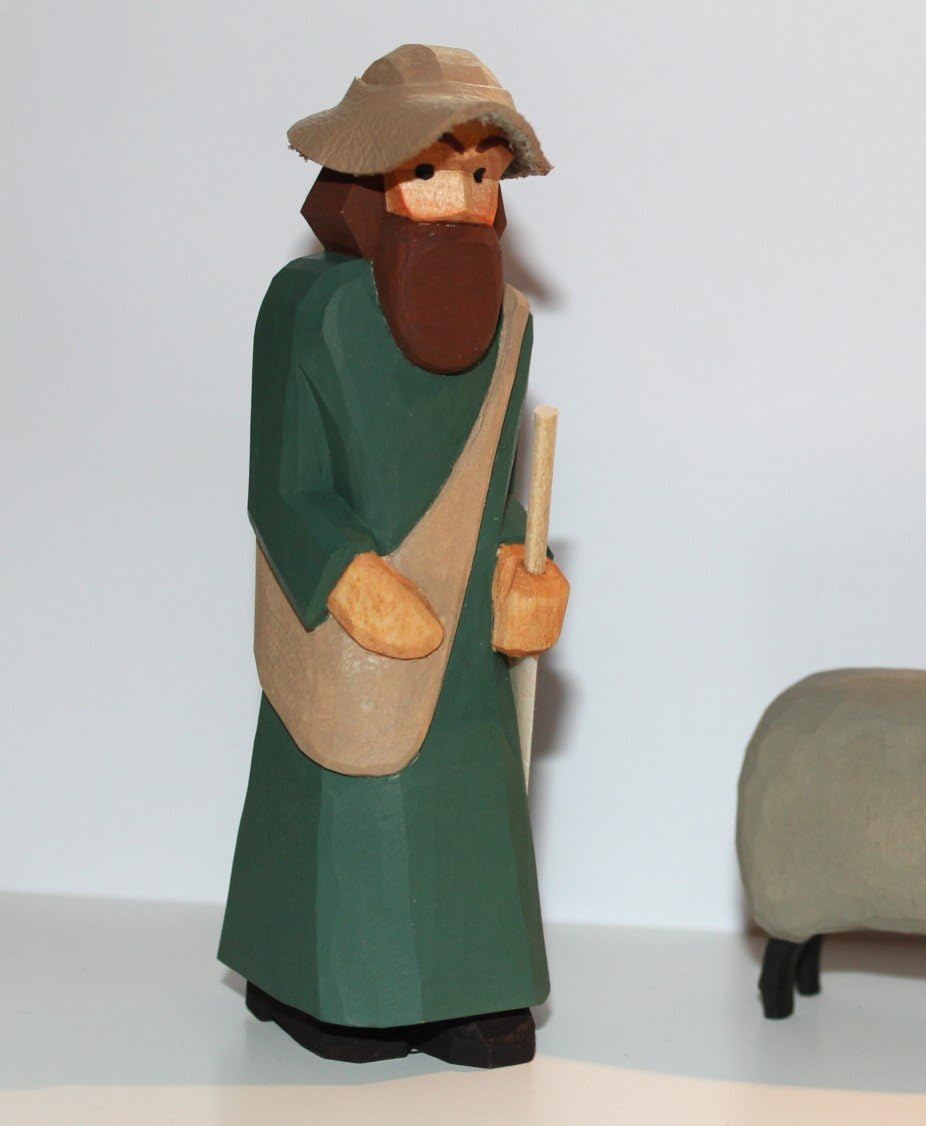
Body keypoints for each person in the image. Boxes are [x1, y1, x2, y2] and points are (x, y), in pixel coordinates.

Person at [218, 44, 569, 1068]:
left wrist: (525, 569)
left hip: (460, 637)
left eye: (481, 173)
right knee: (349, 788)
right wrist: (346, 574)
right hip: (348, 621)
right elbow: (282, 484)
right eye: (429, 170)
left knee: (466, 798)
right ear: (368, 183)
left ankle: (468, 982)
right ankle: (315, 974)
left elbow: (496, 482)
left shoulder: (510, 327)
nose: (460, 197)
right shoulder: (308, 311)